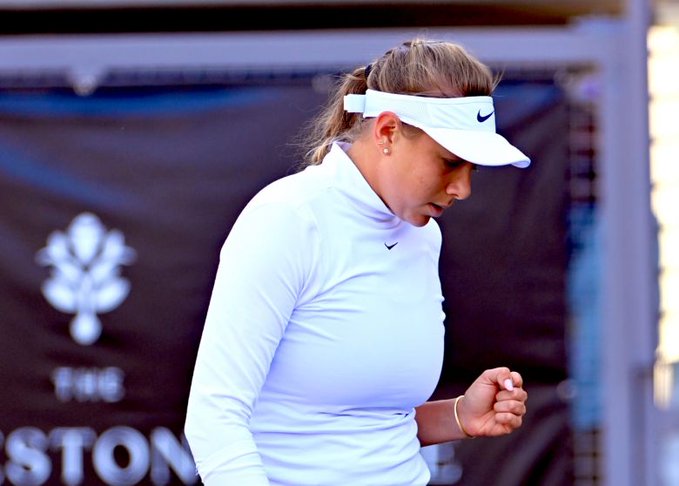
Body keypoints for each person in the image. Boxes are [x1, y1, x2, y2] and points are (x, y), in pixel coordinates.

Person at [185, 37, 530, 486]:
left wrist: (460, 415)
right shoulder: (288, 218)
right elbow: (213, 418)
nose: (462, 189)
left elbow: (368, 424)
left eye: (473, 169)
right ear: (387, 132)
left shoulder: (424, 236)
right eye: (450, 163)